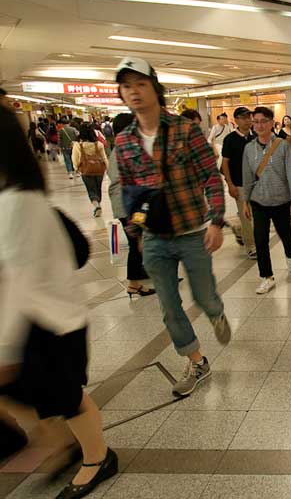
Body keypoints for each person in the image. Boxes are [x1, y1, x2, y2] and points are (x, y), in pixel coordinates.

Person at [0, 106, 118, 498]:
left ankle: (97, 457)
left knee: (67, 396)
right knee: (48, 394)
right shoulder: (16, 198)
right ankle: (59, 443)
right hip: (39, 319)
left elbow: (16, 281)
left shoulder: (18, 203)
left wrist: (5, 349)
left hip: (49, 321)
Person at [113, 57, 230, 396]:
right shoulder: (124, 142)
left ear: (155, 88)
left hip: (192, 230)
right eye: (126, 86)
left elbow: (211, 175)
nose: (133, 92)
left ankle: (216, 312)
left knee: (205, 295)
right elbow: (131, 194)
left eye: (140, 84)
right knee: (168, 304)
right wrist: (136, 234)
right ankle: (197, 360)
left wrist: (217, 221)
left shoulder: (185, 129)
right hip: (154, 237)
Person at [242, 107, 291, 294]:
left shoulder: (282, 145)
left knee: (285, 233)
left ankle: (290, 256)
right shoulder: (249, 148)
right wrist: (245, 201)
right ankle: (266, 277)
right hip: (258, 200)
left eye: (263, 121)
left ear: (271, 123)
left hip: (281, 199)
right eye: (256, 121)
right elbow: (247, 175)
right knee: (260, 239)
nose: (259, 125)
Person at [106, 113, 155, 298]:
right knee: (137, 243)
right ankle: (134, 284)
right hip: (129, 206)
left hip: (127, 204)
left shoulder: (119, 149)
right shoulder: (124, 150)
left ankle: (142, 276)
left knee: (140, 241)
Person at [221, 107, 257, 259]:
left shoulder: (256, 136)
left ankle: (238, 230)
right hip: (239, 184)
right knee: (246, 217)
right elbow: (225, 163)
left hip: (257, 183)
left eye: (249, 117)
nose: (248, 120)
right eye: (243, 118)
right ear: (236, 120)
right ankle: (251, 246)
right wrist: (230, 184)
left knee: (257, 215)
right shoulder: (230, 139)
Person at [72, 123, 108, 218]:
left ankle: (96, 205)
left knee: (91, 189)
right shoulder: (99, 144)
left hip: (86, 170)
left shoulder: (78, 145)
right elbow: (104, 158)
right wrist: (107, 168)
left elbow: (75, 158)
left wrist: (76, 168)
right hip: (99, 170)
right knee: (98, 188)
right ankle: (98, 202)